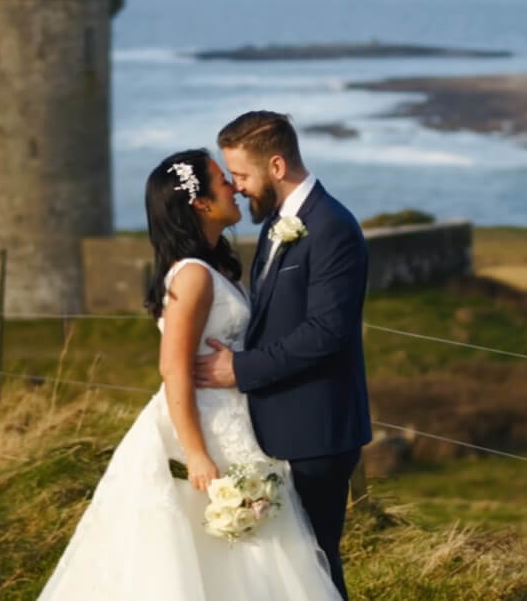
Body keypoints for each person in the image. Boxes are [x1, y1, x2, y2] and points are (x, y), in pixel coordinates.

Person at [37, 147, 342, 601]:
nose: (235, 187)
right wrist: (196, 454)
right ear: (200, 203)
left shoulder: (214, 266)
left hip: (235, 419)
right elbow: (172, 367)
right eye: (223, 181)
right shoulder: (193, 277)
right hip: (206, 428)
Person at [194, 111, 372, 600]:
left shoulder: (332, 226)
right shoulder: (279, 222)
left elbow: (326, 333)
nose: (238, 187)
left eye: (243, 176)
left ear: (275, 165)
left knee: (314, 561)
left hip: (318, 430)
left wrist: (239, 369)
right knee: (289, 565)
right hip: (280, 425)